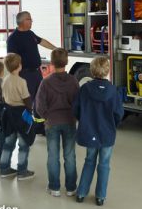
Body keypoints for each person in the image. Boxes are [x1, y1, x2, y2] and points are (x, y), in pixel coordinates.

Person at [73, 56, 124, 206]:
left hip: (89, 131)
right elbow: (118, 113)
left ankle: (81, 193)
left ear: (92, 70)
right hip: (107, 133)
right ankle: (100, 196)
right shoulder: (113, 91)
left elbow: (76, 109)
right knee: (104, 163)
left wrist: (83, 121)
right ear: (107, 71)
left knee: (89, 160)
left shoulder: (85, 89)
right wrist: (112, 125)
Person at [36, 48, 80, 197]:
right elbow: (78, 103)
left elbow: (39, 106)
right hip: (69, 121)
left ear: (52, 63)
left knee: (53, 156)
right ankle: (71, 188)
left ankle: (54, 187)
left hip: (52, 123)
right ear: (67, 62)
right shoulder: (74, 81)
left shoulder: (46, 82)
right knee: (70, 155)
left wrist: (47, 117)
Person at [6, 11, 56, 133]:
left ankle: (39, 127)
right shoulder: (13, 39)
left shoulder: (30, 34)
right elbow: (11, 59)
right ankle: (25, 127)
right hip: (24, 75)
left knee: (40, 100)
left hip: (36, 73)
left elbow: (42, 41)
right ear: (22, 21)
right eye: (29, 19)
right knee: (27, 102)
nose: (31, 21)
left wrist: (55, 49)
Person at [0, 53, 36, 180]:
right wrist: (31, 109)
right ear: (19, 66)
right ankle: (22, 171)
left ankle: (4, 169)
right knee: (23, 144)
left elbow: (3, 97)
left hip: (8, 113)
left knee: (8, 143)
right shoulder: (21, 81)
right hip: (20, 114)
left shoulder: (4, 79)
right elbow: (27, 99)